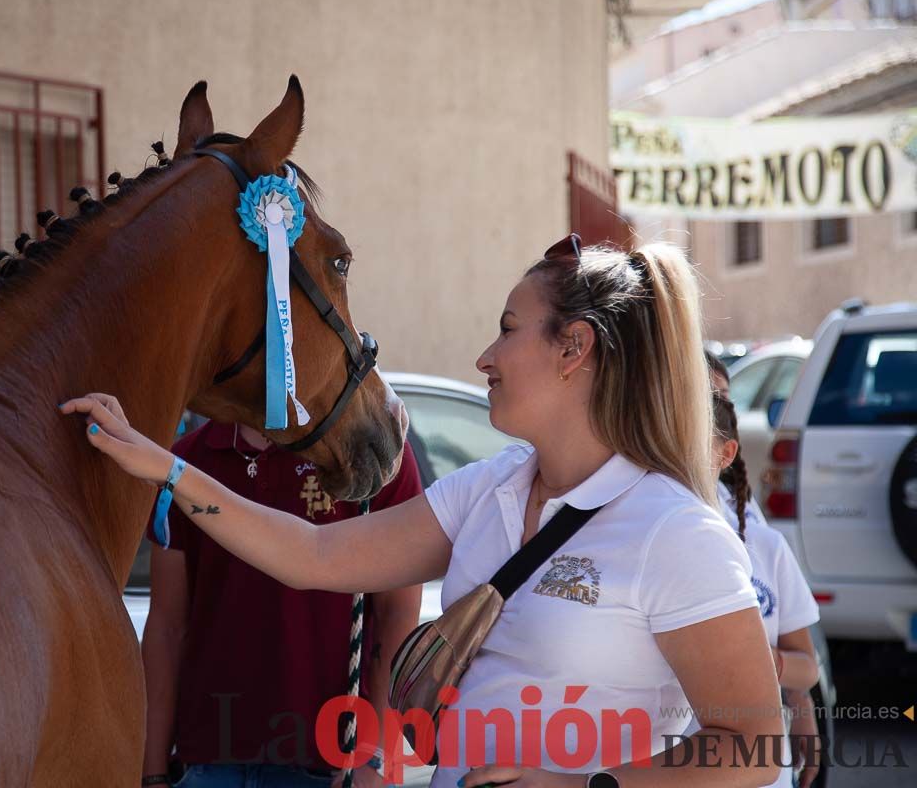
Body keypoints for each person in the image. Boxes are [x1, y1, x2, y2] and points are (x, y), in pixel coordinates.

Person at [63, 236, 784, 788]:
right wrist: (167, 467)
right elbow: (317, 557)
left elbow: (756, 743)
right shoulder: (488, 489)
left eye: (507, 328)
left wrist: (582, 783)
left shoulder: (674, 531)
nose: (485, 356)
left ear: (574, 348)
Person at [140, 421, 424, 788]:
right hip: (208, 763)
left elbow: (398, 612)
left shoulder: (368, 449)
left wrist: (380, 759)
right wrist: (153, 771)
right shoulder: (190, 460)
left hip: (332, 765)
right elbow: (167, 625)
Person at [709, 386, 822, 788]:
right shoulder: (640, 539)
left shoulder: (763, 543)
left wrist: (763, 663)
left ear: (724, 454)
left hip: (760, 773)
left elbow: (806, 668)